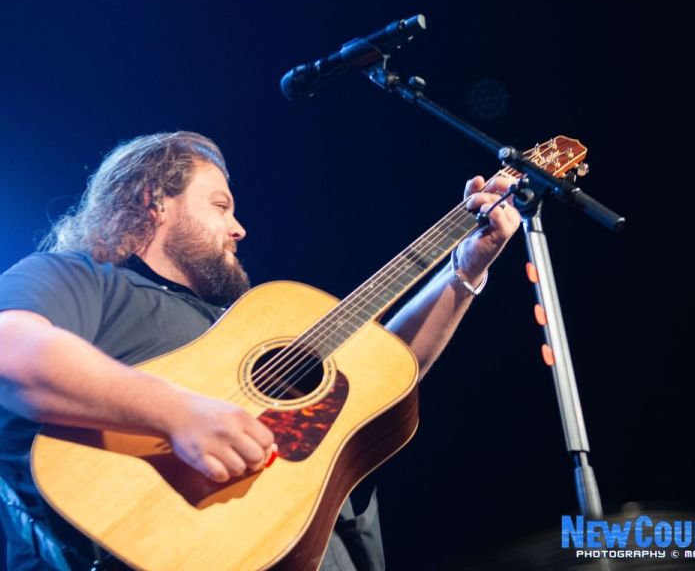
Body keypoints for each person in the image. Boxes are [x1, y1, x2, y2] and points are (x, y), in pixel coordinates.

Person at [0, 131, 520, 570]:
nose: (238, 227)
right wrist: (179, 412)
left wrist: (467, 266)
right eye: (220, 206)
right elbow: (11, 347)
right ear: (153, 201)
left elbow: (383, 377)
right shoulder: (82, 279)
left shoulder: (246, 326)